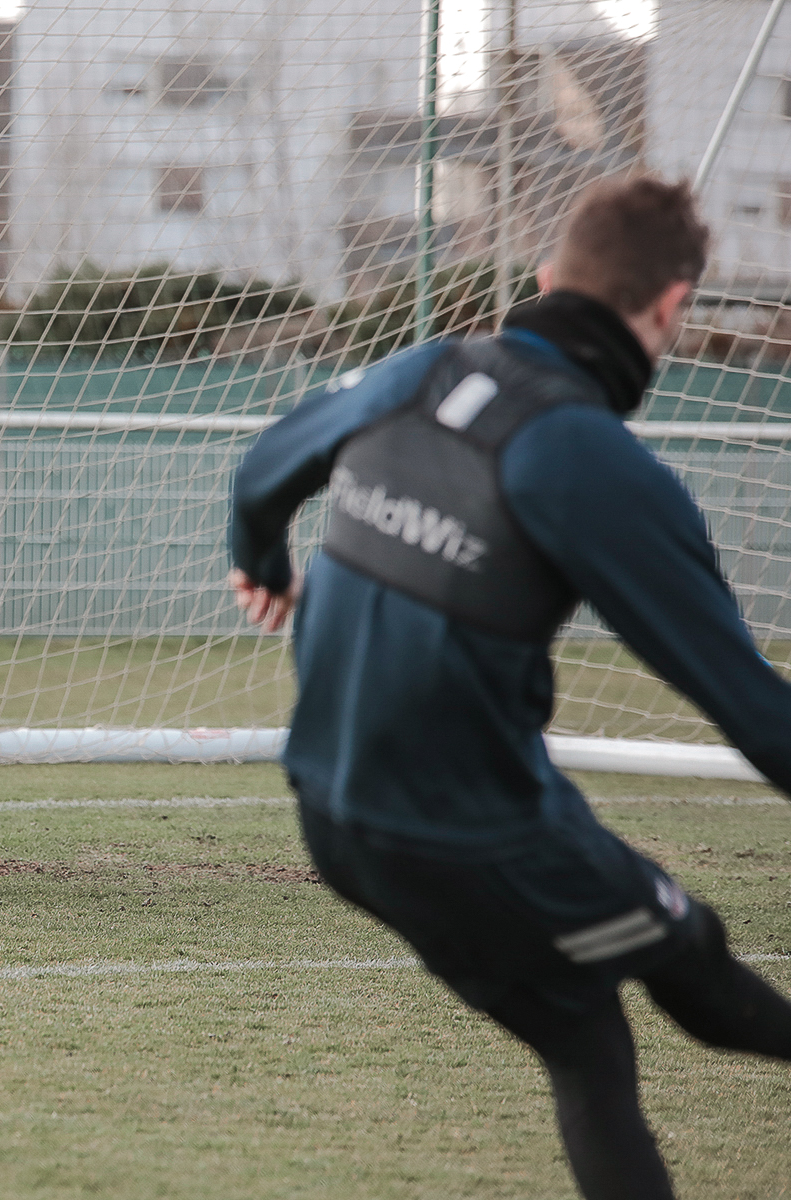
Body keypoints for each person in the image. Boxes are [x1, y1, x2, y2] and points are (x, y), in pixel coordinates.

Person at [228, 175, 791, 1199]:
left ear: (542, 281)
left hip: (331, 820)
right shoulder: (589, 458)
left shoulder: (411, 370)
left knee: (586, 1040)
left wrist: (260, 563)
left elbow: (259, 472)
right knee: (690, 956)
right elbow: (753, 710)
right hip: (478, 842)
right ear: (670, 306)